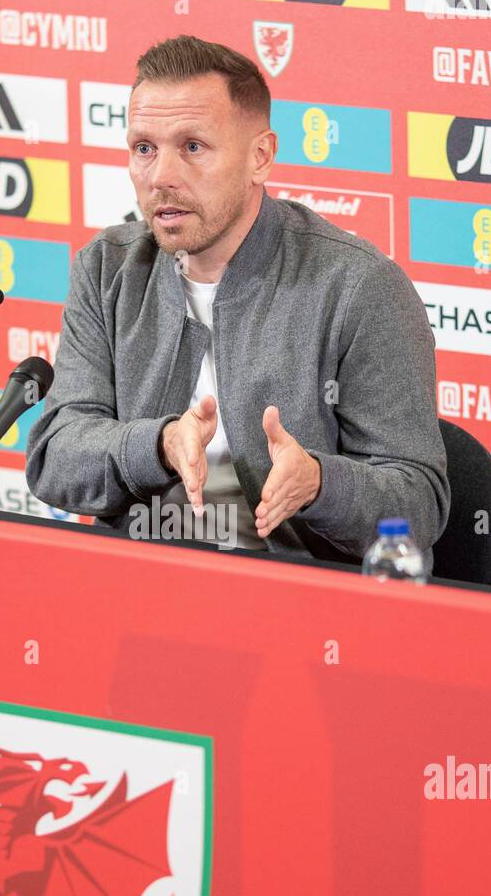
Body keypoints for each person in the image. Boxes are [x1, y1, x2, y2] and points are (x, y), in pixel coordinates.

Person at [26, 34, 449, 566]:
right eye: (144, 149)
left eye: (193, 147)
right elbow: (57, 459)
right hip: (140, 589)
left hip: (303, 611)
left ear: (260, 157)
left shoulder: (360, 288)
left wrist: (319, 483)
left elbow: (419, 503)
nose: (161, 177)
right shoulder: (107, 269)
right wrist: (157, 446)